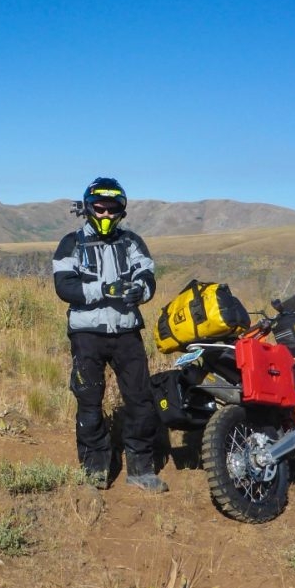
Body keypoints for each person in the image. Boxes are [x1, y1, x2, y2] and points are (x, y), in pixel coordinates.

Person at [52, 177, 167, 493]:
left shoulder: (132, 242)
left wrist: (139, 290)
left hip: (127, 332)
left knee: (141, 400)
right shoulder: (71, 243)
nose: (105, 215)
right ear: (88, 208)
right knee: (89, 401)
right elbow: (64, 286)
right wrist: (104, 289)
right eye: (99, 209)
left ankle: (141, 470)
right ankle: (94, 471)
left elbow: (148, 277)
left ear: (121, 211)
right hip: (86, 334)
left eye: (111, 209)